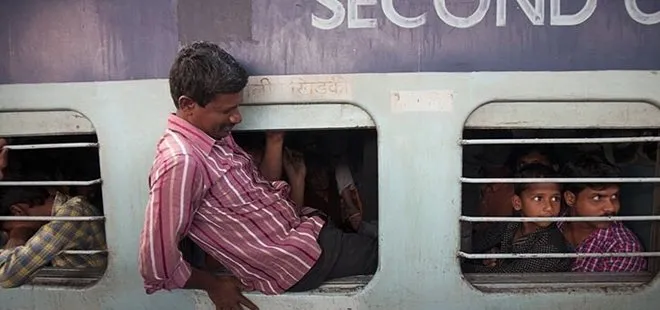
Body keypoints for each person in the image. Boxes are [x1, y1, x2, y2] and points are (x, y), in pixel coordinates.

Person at [138, 41, 376, 310]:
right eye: (227, 111)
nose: (236, 118)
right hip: (300, 261)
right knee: (389, 254)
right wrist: (213, 285)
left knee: (377, 233)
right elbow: (156, 263)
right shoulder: (181, 162)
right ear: (188, 104)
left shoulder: (214, 137)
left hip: (308, 234)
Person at [463, 163, 571, 273]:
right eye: (539, 198)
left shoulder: (551, 248)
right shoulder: (510, 224)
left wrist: (460, 267)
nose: (549, 207)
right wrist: (484, 259)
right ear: (517, 202)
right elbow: (473, 246)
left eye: (555, 199)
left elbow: (505, 277)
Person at [558, 155, 647, 272]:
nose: (611, 208)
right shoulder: (552, 221)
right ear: (570, 198)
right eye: (597, 197)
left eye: (614, 197)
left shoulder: (623, 249)